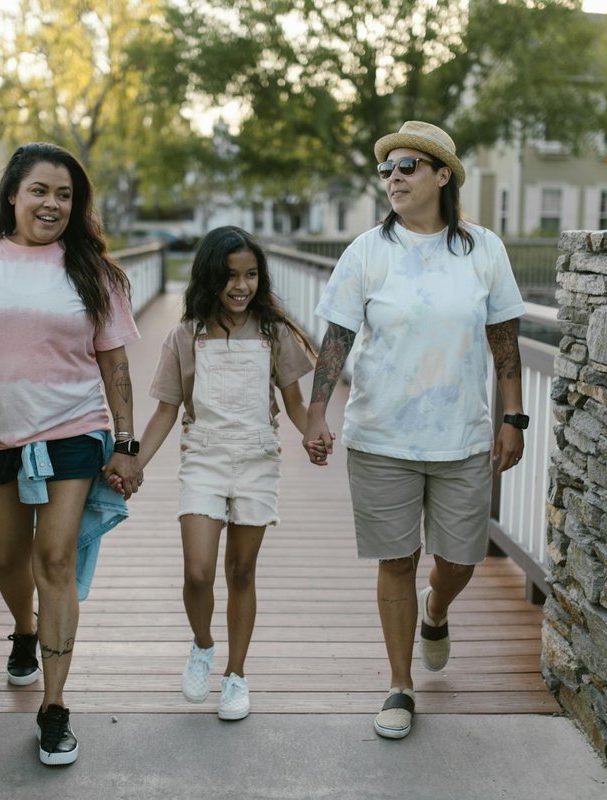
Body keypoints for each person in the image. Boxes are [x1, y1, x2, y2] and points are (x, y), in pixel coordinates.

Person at [0, 142, 143, 766]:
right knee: (7, 557)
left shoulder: (91, 270)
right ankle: (23, 628)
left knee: (55, 558)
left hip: (73, 432)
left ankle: (55, 706)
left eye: (65, 195)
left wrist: (125, 443)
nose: (52, 203)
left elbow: (115, 362)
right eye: (41, 190)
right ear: (13, 194)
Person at [303, 121, 527, 740]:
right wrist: (317, 411)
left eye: (407, 166)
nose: (394, 178)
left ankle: (438, 608)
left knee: (460, 558)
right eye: (387, 170)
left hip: (462, 435)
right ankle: (400, 685)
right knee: (396, 558)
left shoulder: (483, 249)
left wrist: (514, 415)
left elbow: (503, 337)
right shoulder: (367, 251)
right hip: (381, 435)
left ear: (442, 175)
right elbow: (337, 337)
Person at [112, 226, 314, 720]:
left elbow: (295, 404)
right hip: (202, 456)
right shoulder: (186, 337)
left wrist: (315, 433)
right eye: (229, 276)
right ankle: (202, 645)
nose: (241, 286)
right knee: (198, 571)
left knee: (241, 572)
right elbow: (165, 411)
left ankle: (236, 674)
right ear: (209, 278)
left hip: (256, 459)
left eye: (250, 275)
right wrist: (134, 461)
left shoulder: (274, 334)